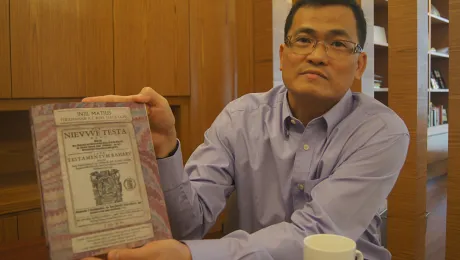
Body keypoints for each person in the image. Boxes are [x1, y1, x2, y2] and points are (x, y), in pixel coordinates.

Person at [83, 0, 409, 259]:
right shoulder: (241, 116)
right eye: (304, 40)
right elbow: (189, 223)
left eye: (338, 43)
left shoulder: (381, 131)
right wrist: (167, 146)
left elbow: (317, 234)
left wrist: (189, 255)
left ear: (360, 65)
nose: (317, 55)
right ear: (283, 56)